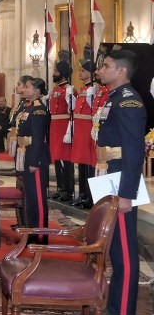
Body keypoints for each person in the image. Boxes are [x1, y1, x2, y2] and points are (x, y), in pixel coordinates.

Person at [95, 49, 146, 315]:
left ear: (122, 71)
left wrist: (127, 193)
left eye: (106, 66)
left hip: (120, 179)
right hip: (109, 173)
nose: (101, 70)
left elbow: (134, 150)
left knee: (124, 248)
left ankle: (124, 312)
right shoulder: (113, 98)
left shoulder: (128, 101)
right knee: (113, 243)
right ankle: (114, 306)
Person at [15, 77, 51, 242]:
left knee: (37, 197)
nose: (24, 90)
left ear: (36, 91)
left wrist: (34, 161)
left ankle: (41, 235)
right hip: (26, 153)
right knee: (30, 196)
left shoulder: (38, 110)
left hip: (35, 158)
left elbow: (38, 137)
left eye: (28, 87)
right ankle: (32, 231)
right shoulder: (28, 107)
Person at [71, 59, 99, 209]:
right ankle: (83, 194)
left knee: (88, 164)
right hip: (80, 130)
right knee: (81, 163)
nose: (80, 73)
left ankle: (89, 196)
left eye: (83, 70)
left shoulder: (95, 89)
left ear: (91, 73)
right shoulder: (83, 89)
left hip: (88, 130)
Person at [49, 61, 74, 202]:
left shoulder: (68, 90)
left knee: (65, 159)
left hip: (64, 127)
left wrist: (69, 131)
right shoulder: (55, 89)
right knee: (57, 159)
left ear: (63, 73)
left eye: (56, 71)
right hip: (55, 127)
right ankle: (60, 187)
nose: (54, 73)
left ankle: (68, 190)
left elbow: (72, 111)